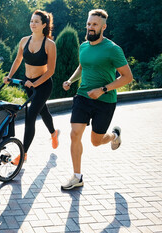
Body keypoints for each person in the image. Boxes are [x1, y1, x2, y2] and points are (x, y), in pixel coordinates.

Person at [61, 9, 133, 190]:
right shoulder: (84, 46)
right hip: (83, 97)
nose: (90, 27)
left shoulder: (113, 49)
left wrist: (103, 90)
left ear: (103, 27)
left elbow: (127, 77)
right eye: (88, 24)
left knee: (95, 141)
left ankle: (114, 136)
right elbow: (82, 66)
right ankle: (77, 177)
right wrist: (70, 80)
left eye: (94, 25)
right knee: (74, 134)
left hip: (105, 100)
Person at [3, 10, 60, 165]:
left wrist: (35, 83)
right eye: (31, 21)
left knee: (31, 116)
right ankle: (54, 133)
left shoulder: (49, 44)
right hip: (28, 84)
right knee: (43, 110)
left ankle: (23, 153)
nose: (32, 24)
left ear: (43, 24)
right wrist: (9, 76)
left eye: (36, 21)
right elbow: (18, 60)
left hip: (43, 85)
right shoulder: (24, 41)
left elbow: (51, 70)